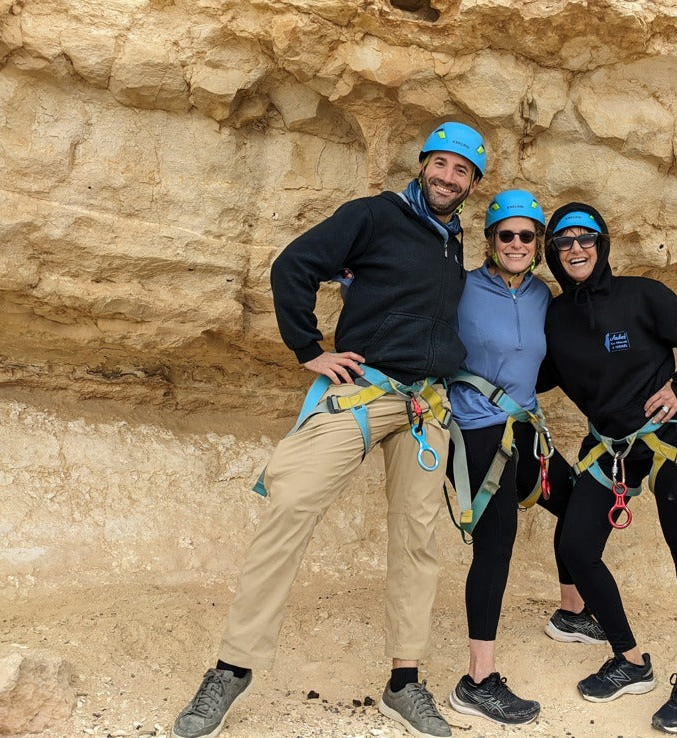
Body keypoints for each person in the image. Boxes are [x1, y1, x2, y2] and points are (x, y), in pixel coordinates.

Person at [170, 121, 486, 738]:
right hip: (364, 394)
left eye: (462, 171)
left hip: (424, 409)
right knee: (290, 503)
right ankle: (232, 668)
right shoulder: (374, 215)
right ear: (422, 164)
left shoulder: (453, 241)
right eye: (441, 165)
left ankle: (404, 682)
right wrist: (308, 348)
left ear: (473, 183)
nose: (449, 178)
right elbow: (295, 264)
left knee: (419, 541)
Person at [537, 203, 677, 734]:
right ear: (552, 252)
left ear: (603, 244)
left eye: (586, 238)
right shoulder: (554, 316)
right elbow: (537, 369)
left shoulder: (642, 295)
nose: (575, 249)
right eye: (564, 242)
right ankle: (631, 659)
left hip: (669, 442)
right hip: (608, 449)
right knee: (576, 547)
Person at [443, 190, 607, 727]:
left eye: (527, 236)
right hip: (476, 433)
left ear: (539, 245)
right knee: (496, 548)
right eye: (505, 234)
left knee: (582, 503)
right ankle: (478, 680)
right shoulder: (461, 286)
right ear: (490, 241)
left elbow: (557, 359)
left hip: (526, 430)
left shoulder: (542, 296)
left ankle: (572, 611)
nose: (516, 243)